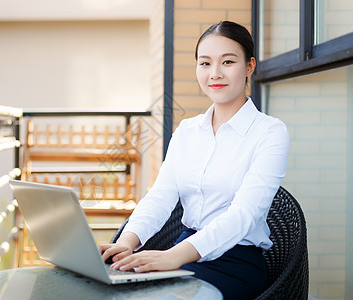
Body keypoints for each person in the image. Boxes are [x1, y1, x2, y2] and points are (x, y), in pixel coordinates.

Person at [100, 20, 290, 300]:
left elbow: (244, 215)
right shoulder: (187, 131)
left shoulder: (270, 132)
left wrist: (173, 256)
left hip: (235, 262)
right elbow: (160, 197)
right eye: (205, 63)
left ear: (249, 66)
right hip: (181, 251)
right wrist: (127, 243)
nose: (215, 74)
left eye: (227, 62)